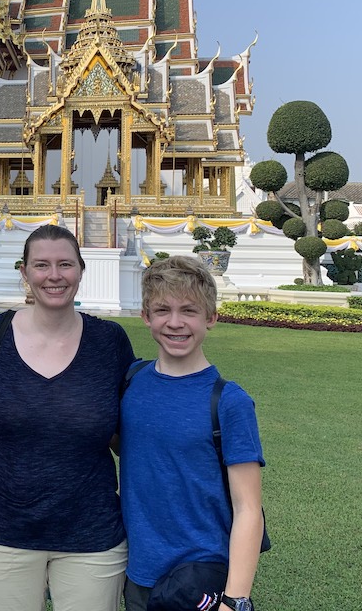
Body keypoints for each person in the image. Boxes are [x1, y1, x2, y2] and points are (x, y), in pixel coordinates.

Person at [0, 224, 135, 611]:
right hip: (4, 530)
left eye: (65, 265)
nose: (54, 276)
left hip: (91, 533)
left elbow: (130, 433)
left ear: (81, 270)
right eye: (41, 265)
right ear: (24, 272)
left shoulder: (109, 341)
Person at [120, 255, 265, 611]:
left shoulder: (229, 401)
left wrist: (236, 599)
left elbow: (249, 508)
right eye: (162, 310)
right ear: (145, 317)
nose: (175, 323)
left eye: (189, 310)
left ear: (211, 318)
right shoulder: (131, 383)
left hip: (201, 577)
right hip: (138, 571)